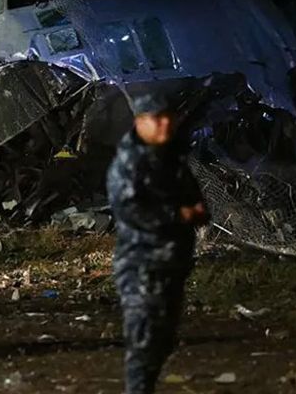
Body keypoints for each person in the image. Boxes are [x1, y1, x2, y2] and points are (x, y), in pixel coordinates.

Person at [106, 93, 209, 393]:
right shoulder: (130, 163)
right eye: (155, 118)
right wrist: (179, 214)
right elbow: (132, 210)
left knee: (161, 340)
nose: (164, 124)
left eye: (168, 117)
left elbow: (193, 196)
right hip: (142, 264)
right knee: (144, 341)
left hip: (171, 262)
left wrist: (195, 210)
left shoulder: (170, 158)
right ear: (139, 122)